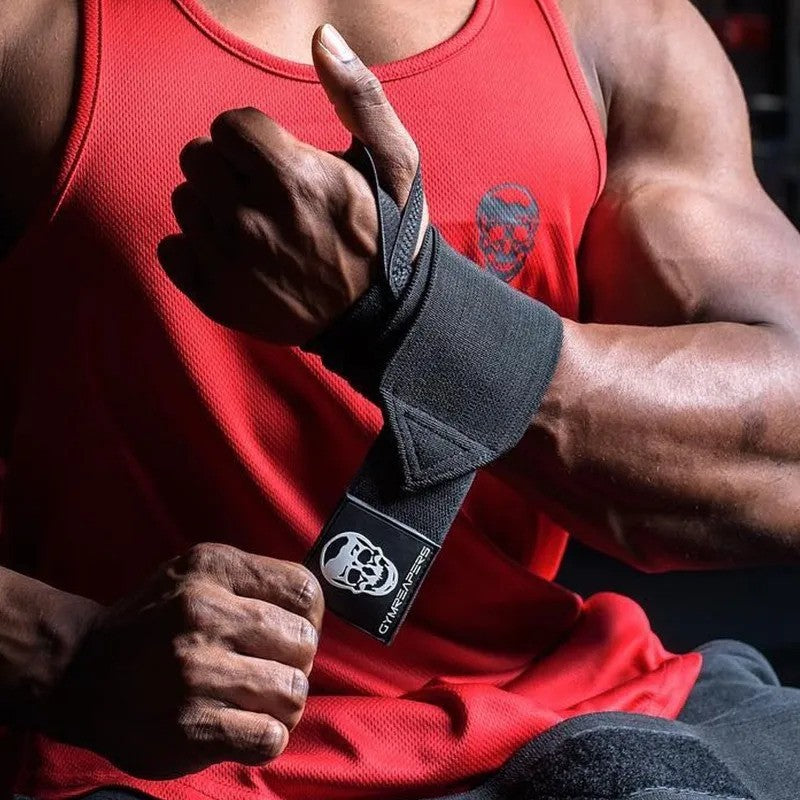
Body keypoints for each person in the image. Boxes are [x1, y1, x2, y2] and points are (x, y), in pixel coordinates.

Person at [0, 0, 798, 798]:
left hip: (562, 713)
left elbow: (786, 452)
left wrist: (418, 318)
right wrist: (67, 654)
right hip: (146, 753)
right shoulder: (30, 31)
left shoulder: (613, 26)